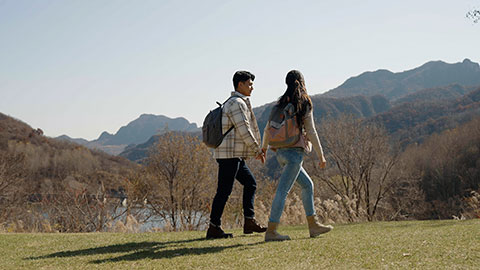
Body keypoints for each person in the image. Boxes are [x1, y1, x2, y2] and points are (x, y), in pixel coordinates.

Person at [261, 70, 333, 241]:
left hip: (279, 153)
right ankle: (271, 231)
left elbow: (267, 129)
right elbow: (312, 131)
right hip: (294, 154)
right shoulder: (303, 102)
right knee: (282, 191)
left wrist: (263, 149)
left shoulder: (279, 104)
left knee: (308, 185)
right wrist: (321, 156)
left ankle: (313, 225)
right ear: (302, 82)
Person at [206, 70, 267, 239]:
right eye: (249, 84)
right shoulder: (236, 104)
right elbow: (244, 130)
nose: (252, 88)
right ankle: (214, 227)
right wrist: (257, 150)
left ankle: (249, 221)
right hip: (229, 155)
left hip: (234, 154)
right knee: (224, 191)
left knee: (250, 183)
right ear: (240, 84)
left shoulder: (236, 102)